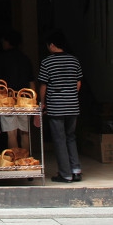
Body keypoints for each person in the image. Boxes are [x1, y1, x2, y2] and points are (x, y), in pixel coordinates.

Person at [37, 29, 83, 183]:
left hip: (56, 106)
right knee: (71, 137)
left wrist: (43, 103)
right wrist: (70, 95)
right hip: (73, 106)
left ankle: (65, 174)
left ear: (51, 45)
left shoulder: (47, 62)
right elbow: (78, 83)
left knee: (59, 139)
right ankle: (76, 170)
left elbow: (43, 85)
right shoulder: (74, 60)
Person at [0, 29, 34, 150]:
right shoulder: (25, 59)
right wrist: (33, 101)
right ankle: (25, 161)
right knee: (25, 132)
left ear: (7, 42)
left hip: (6, 100)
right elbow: (31, 82)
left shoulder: (2, 59)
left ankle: (15, 161)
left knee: (11, 134)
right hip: (24, 100)